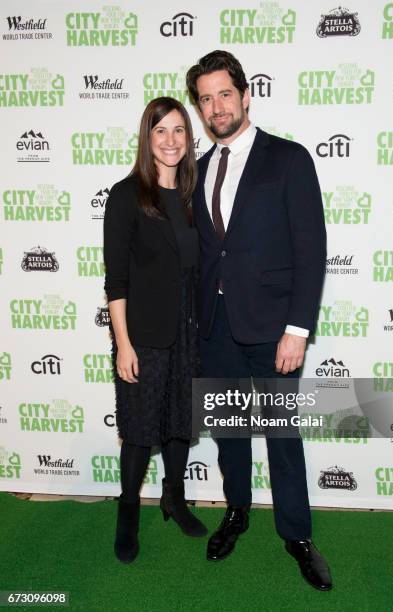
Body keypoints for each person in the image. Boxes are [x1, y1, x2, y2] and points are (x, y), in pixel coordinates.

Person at [186, 51, 332, 591]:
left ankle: (296, 536)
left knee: (281, 435)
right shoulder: (196, 172)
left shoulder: (288, 159)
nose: (216, 106)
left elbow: (311, 248)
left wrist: (297, 329)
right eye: (205, 98)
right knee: (229, 433)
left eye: (225, 93)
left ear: (246, 96)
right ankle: (237, 512)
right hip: (214, 328)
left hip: (274, 330)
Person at [103, 97, 207, 564]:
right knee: (142, 431)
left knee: (179, 423)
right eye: (160, 131)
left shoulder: (194, 194)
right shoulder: (127, 195)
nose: (171, 140)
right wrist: (123, 343)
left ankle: (174, 497)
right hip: (143, 333)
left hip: (189, 330)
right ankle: (128, 513)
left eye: (179, 131)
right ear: (148, 139)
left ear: (189, 138)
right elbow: (117, 280)